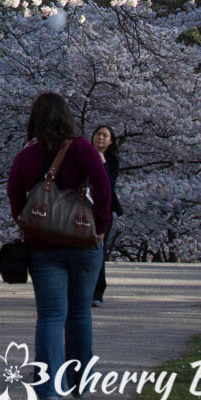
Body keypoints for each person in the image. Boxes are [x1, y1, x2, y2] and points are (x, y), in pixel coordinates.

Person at [7, 93, 113, 400]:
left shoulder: (27, 155)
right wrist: (101, 226)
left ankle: (48, 387)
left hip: (43, 246)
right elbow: (103, 187)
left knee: (51, 316)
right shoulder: (82, 148)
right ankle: (80, 382)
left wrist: (25, 221)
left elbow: (14, 191)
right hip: (83, 242)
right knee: (80, 313)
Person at [90, 124, 124, 306]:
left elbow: (109, 183)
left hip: (103, 210)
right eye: (98, 134)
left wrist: (102, 161)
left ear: (111, 141)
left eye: (105, 136)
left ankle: (97, 291)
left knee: (98, 248)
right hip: (82, 207)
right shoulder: (84, 154)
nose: (100, 138)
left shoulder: (112, 160)